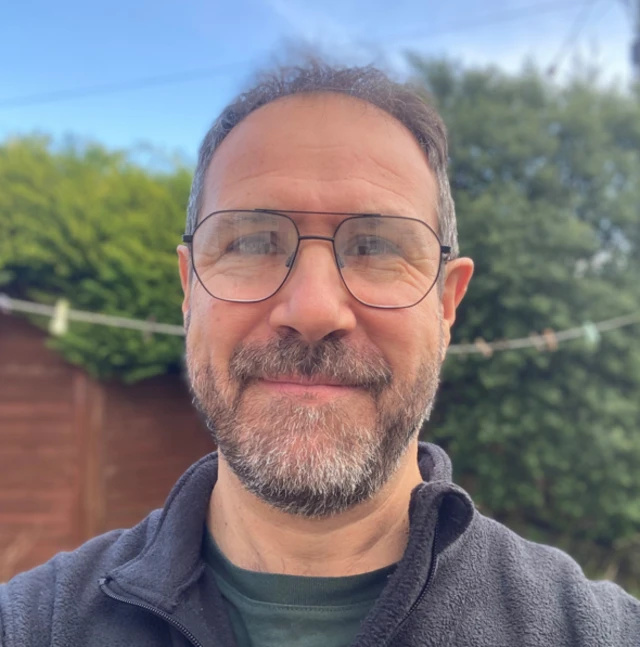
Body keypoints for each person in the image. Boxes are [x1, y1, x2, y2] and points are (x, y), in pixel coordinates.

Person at [1, 59, 638, 647]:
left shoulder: (596, 632)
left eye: (377, 246)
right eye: (251, 241)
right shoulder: (31, 625)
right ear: (188, 287)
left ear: (447, 304)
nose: (311, 311)